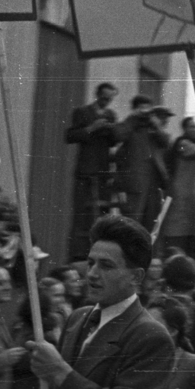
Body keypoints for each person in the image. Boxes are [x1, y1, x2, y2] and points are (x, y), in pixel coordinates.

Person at [29, 213, 178, 389]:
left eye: (106, 266)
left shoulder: (151, 336)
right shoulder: (77, 318)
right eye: (90, 263)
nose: (92, 274)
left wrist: (60, 371)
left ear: (136, 277)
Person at [66, 84, 122, 258]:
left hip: (103, 171)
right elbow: (69, 136)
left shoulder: (111, 115)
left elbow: (114, 141)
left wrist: (112, 130)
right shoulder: (82, 112)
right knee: (81, 215)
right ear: (97, 95)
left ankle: (98, 252)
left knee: (101, 216)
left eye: (110, 99)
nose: (107, 102)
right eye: (104, 98)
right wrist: (92, 128)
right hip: (85, 171)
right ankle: (77, 255)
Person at [163, 117, 195, 259]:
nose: (194, 129)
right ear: (184, 129)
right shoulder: (181, 144)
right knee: (177, 229)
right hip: (180, 194)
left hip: (192, 196)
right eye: (191, 126)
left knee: (191, 230)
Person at [117, 97, 170, 227]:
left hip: (152, 186)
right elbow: (118, 136)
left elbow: (165, 142)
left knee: (149, 224)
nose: (145, 112)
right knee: (132, 222)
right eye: (141, 108)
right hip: (135, 185)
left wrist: (156, 124)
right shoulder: (130, 128)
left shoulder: (152, 130)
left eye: (148, 109)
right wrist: (133, 118)